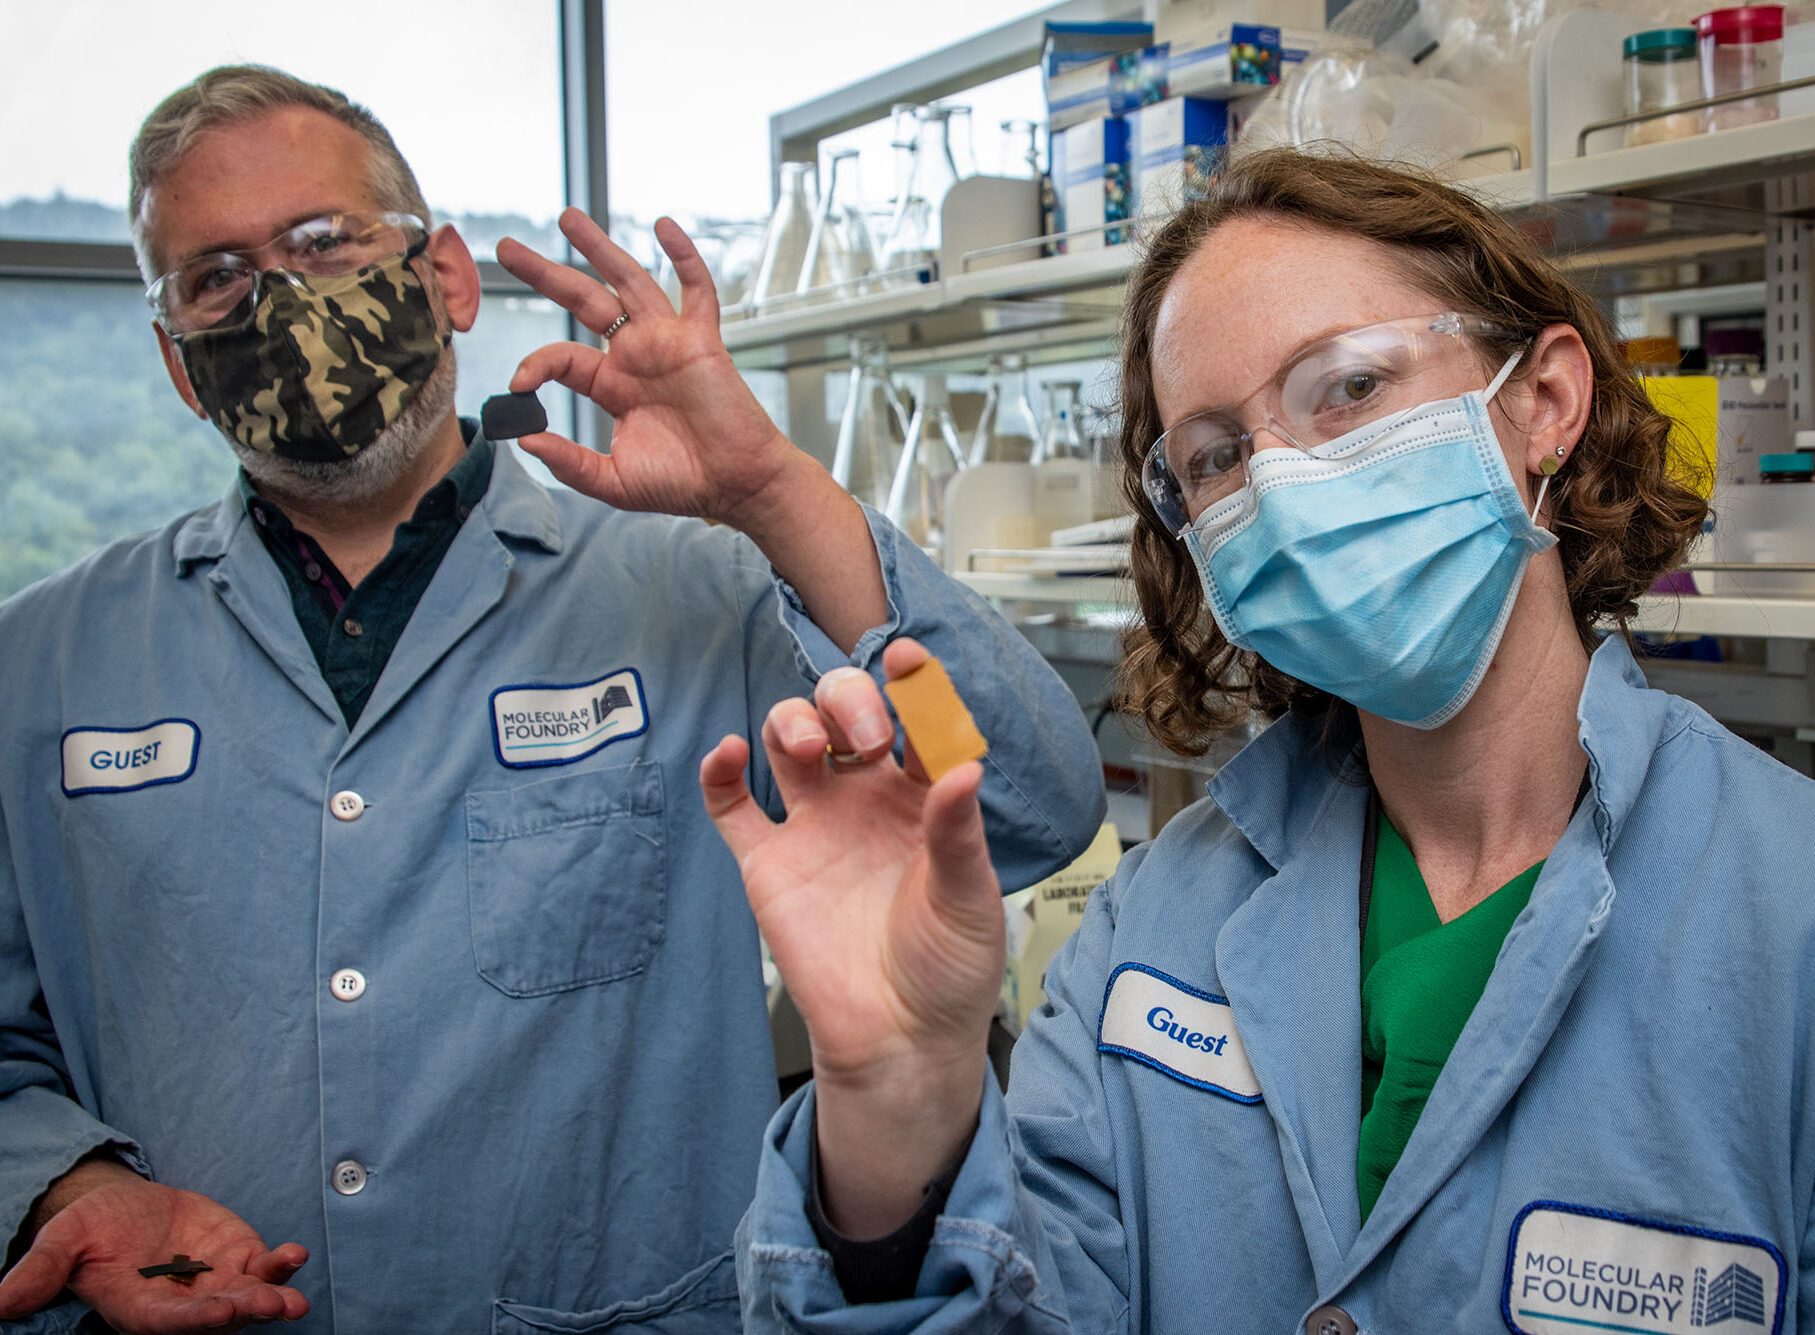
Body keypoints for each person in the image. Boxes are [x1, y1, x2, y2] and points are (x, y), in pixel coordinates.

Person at [0, 65, 1106, 1334]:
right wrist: (60, 1184)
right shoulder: (42, 666)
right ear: (180, 363)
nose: (282, 302)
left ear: (448, 279)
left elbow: (1022, 798)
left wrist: (772, 492)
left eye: (322, 242)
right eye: (218, 278)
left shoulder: (699, 599)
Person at [719, 147, 1815, 1334]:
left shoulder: (1786, 908)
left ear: (1543, 402)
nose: (1281, 486)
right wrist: (894, 1101)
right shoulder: (1148, 929)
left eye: (1344, 388)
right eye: (1217, 454)